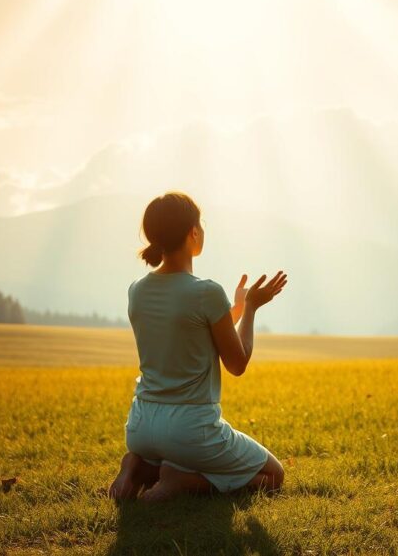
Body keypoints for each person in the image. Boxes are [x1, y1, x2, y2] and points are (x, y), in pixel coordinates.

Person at [107, 191, 288, 502]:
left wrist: (237, 310)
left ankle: (140, 467)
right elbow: (237, 362)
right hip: (189, 431)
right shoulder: (206, 292)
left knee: (162, 453)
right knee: (273, 475)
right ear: (193, 233)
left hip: (141, 427)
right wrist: (253, 309)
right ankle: (183, 483)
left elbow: (190, 331)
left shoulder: (137, 291)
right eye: (201, 224)